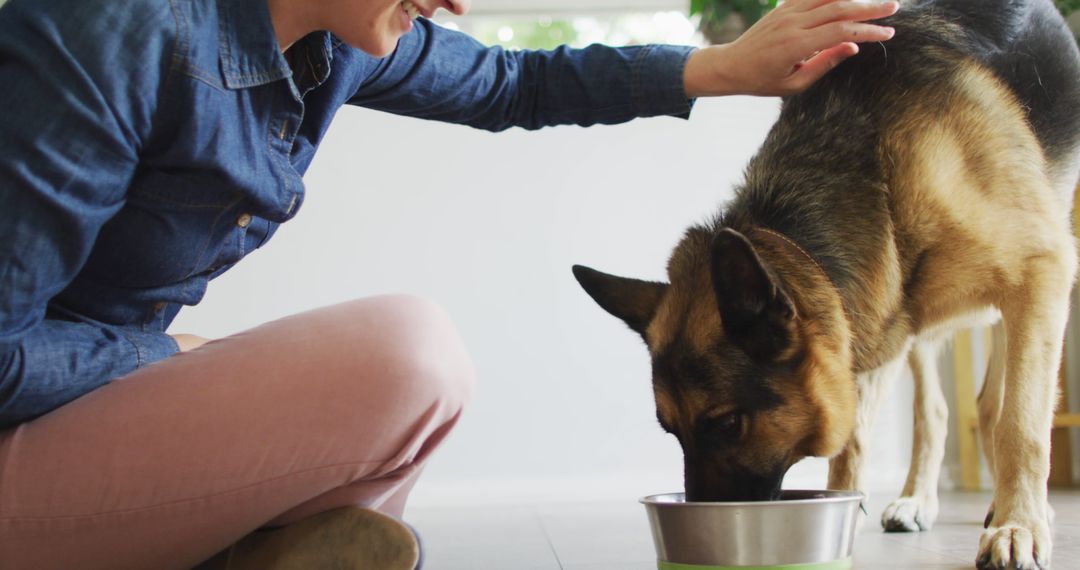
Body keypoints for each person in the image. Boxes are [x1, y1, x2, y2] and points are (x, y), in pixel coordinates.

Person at [0, 0, 898, 568]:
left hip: (85, 413)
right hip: (21, 439)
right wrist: (160, 356)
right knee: (408, 359)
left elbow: (512, 83)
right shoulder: (110, 29)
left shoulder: (330, 39)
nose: (455, 2)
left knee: (390, 423)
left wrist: (723, 68)